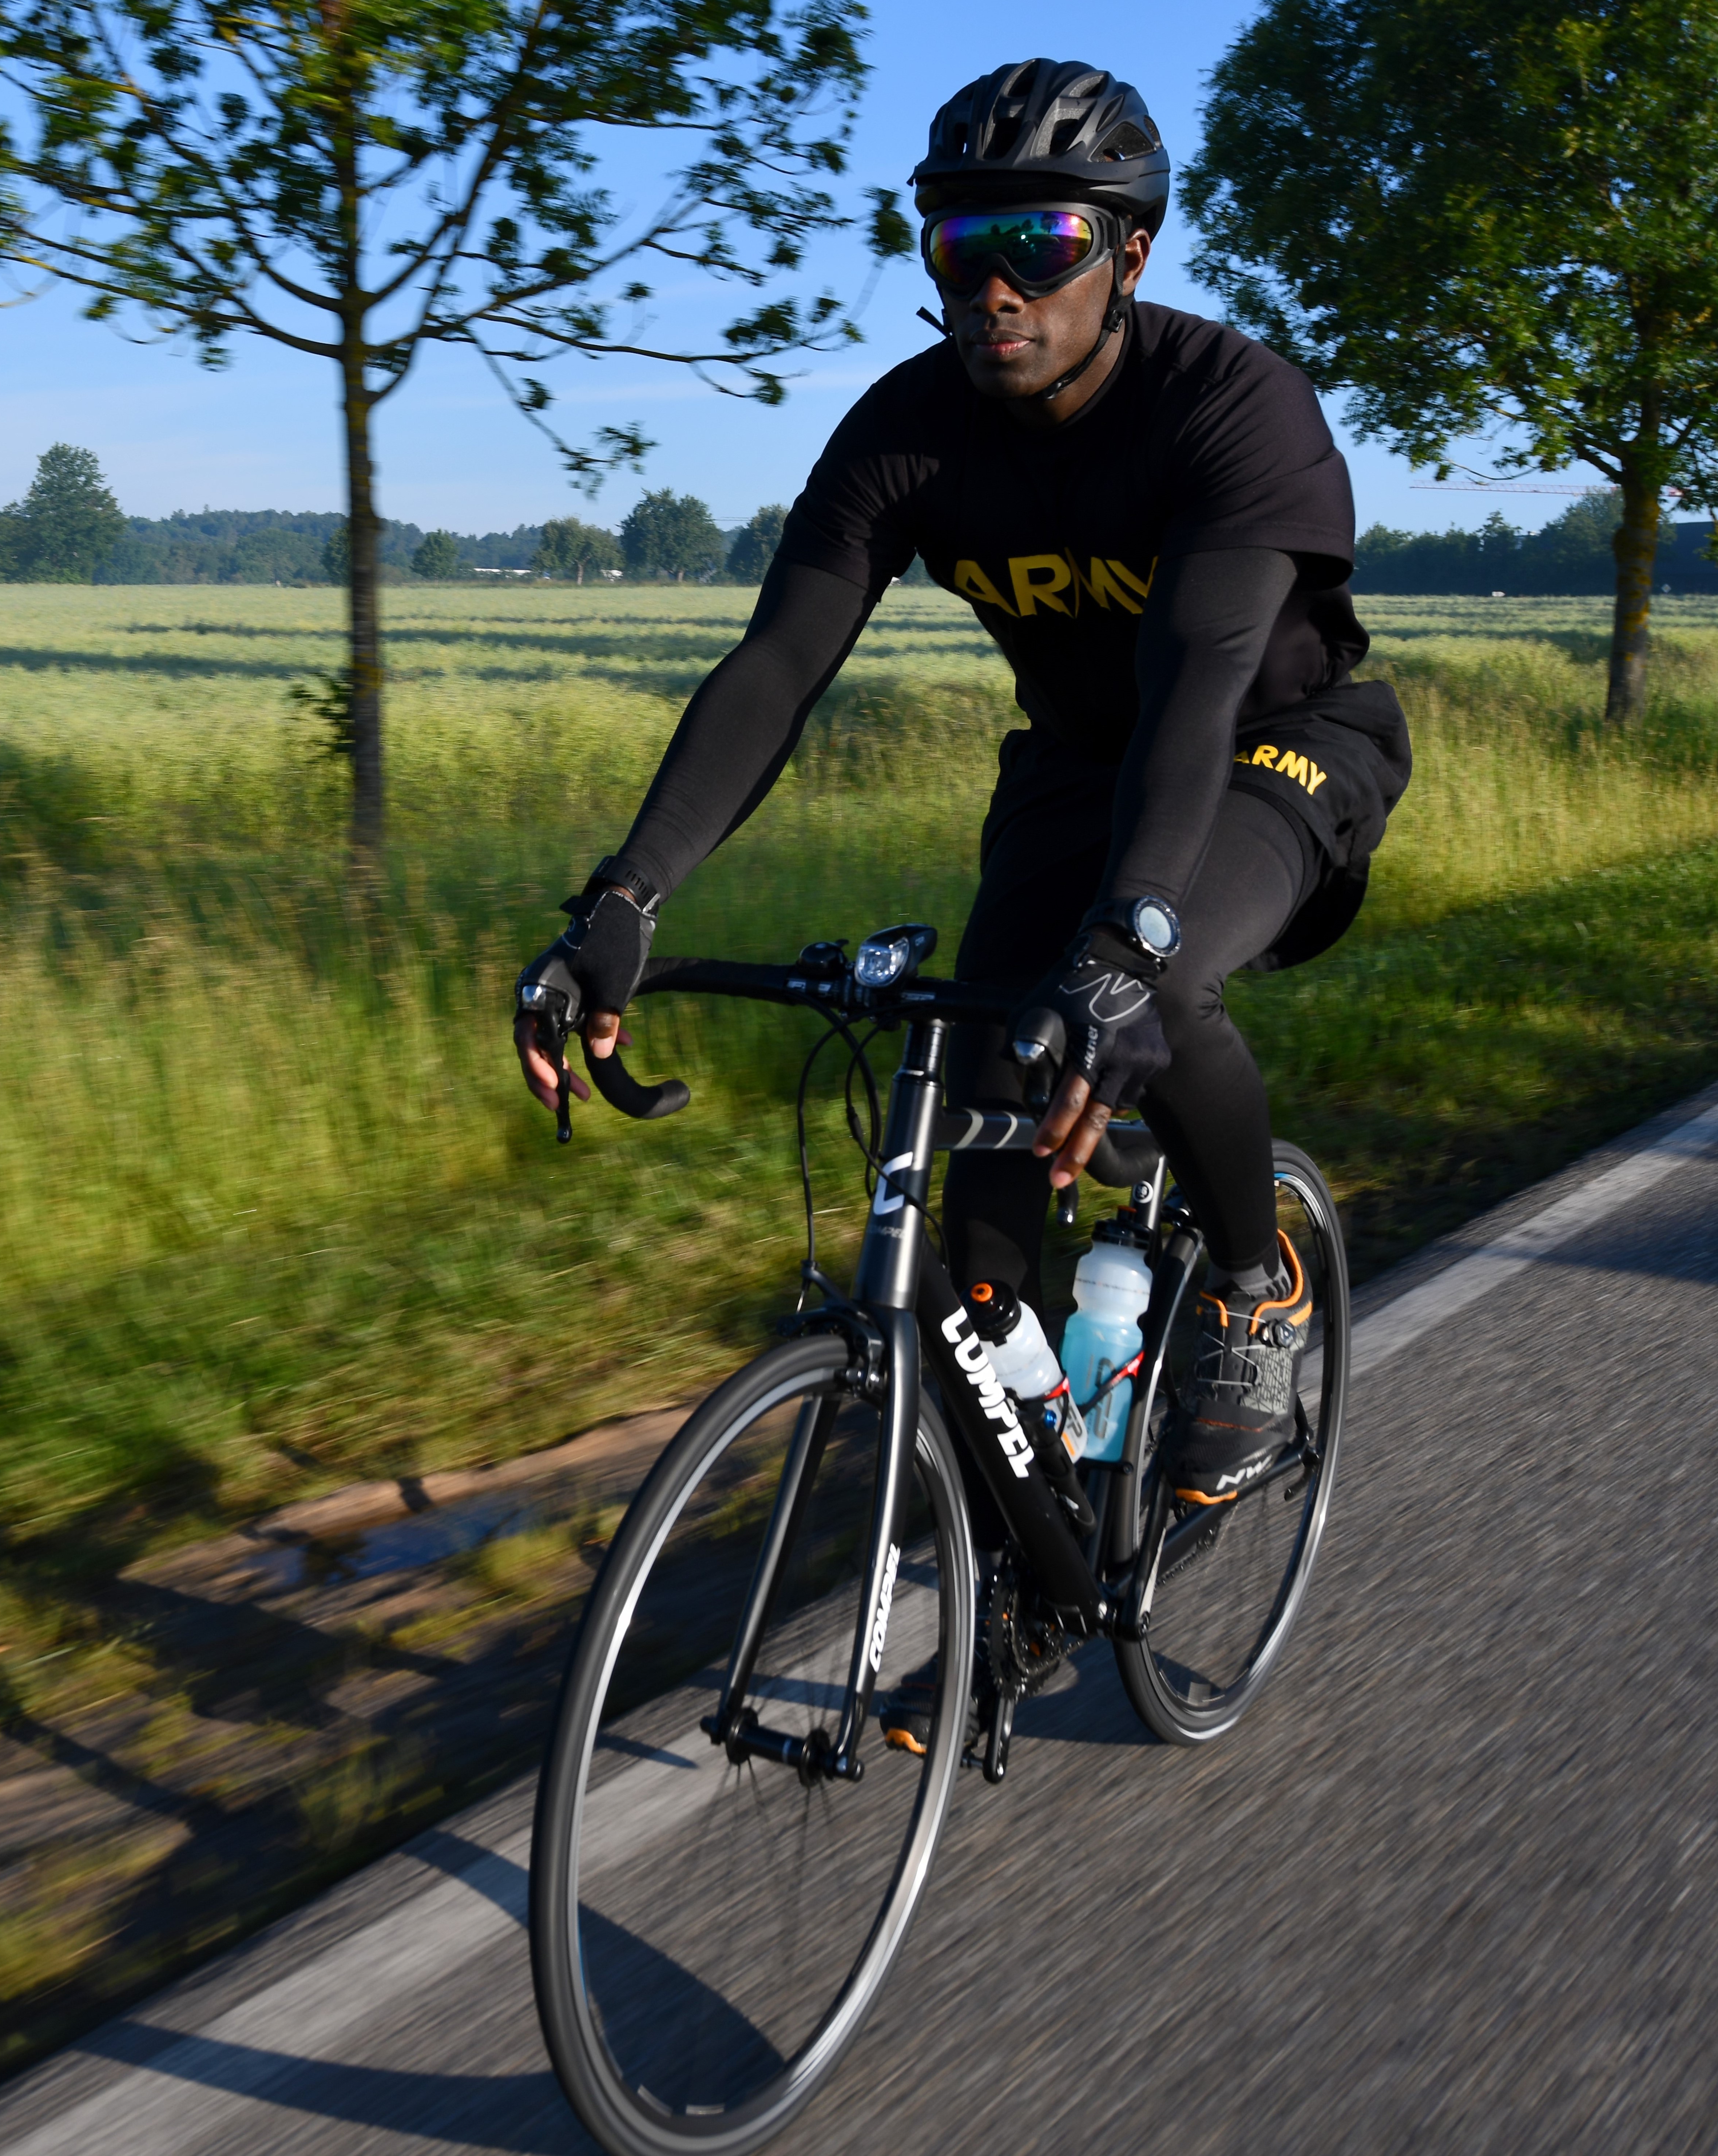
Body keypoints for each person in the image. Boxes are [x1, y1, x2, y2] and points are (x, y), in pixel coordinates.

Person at [514, 58, 1409, 1511]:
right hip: (1071, 770)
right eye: (958, 246)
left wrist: (1126, 946)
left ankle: (1257, 1293)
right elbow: (774, 668)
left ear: (1126, 255)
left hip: (1272, 750)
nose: (994, 288)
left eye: (1039, 247)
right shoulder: (904, 430)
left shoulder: (1230, 407)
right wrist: (623, 897)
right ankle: (1022, 1470)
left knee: (1156, 985)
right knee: (983, 1092)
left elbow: (1196, 685)